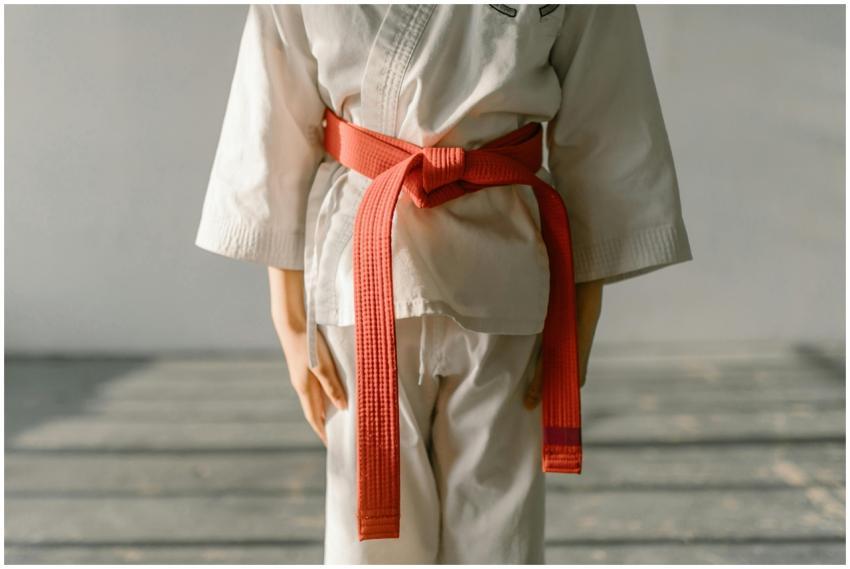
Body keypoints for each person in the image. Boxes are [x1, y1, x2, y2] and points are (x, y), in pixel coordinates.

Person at [195, 3, 693, 564]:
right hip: (366, 265)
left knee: (496, 518)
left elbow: (607, 111)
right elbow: (273, 104)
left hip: (504, 264)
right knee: (374, 530)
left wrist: (584, 305)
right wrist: (286, 313)